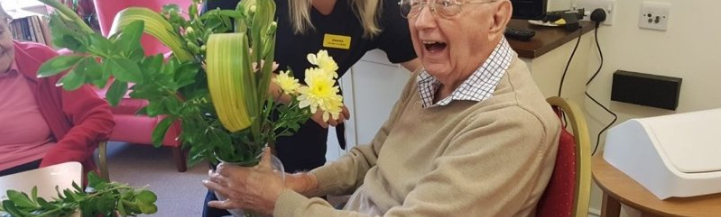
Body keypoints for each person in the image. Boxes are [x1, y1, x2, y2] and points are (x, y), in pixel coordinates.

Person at [203, 0, 562, 216]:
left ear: (497, 19)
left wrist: (278, 200)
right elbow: (373, 157)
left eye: (447, 2)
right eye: (415, 4)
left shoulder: (511, 123)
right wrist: (301, 183)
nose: (421, 21)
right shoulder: (430, 81)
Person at [201, 0, 420, 215]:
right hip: (239, 147)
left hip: (304, 152)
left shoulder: (374, 7)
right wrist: (302, 98)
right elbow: (211, 66)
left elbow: (432, 64)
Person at [0, 5, 115, 178]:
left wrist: (59, 157)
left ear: (8, 25)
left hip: (46, 168)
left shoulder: (42, 60)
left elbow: (98, 116)